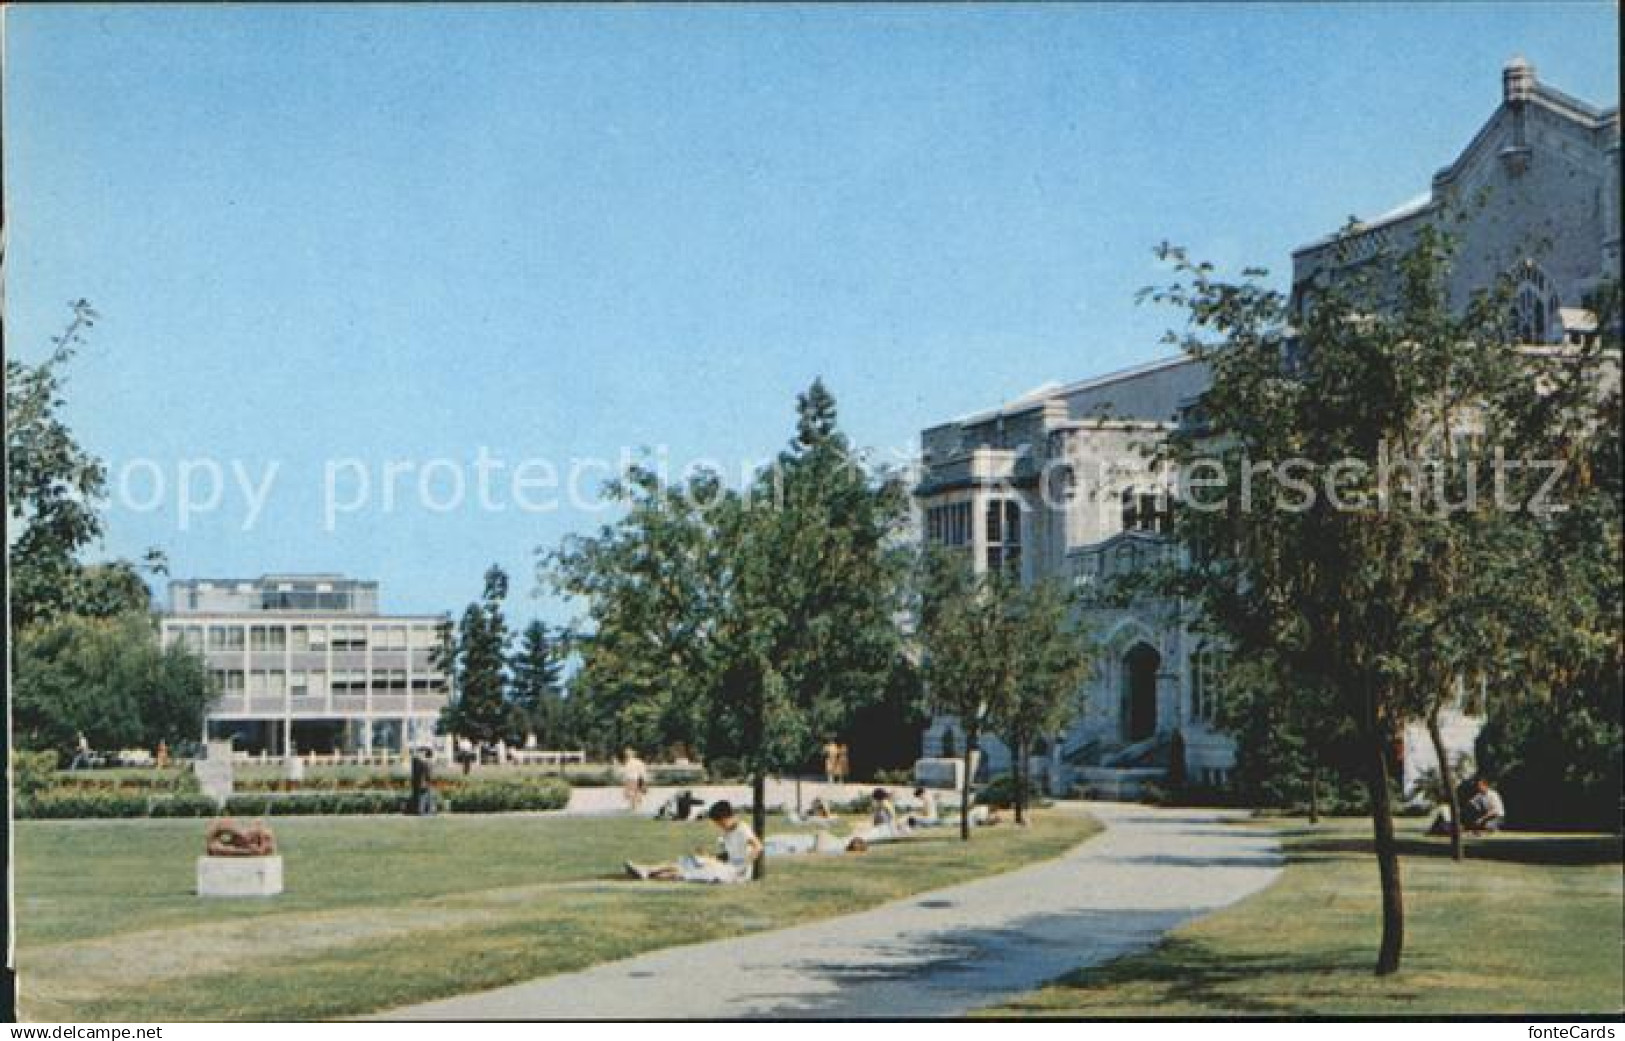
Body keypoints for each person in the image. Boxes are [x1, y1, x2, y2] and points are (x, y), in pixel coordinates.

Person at [625, 800, 761, 883]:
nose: (719, 826)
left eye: (720, 823)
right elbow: (727, 855)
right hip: (727, 867)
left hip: (734, 872)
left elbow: (758, 847)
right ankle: (647, 870)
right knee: (686, 862)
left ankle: (648, 872)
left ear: (726, 818)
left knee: (683, 872)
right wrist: (709, 856)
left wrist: (742, 867)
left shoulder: (742, 828)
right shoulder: (728, 833)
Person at [409, 747, 436, 816]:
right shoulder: (426, 762)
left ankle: (428, 810)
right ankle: (423, 811)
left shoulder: (420, 762)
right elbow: (428, 774)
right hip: (424, 782)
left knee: (426, 796)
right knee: (424, 796)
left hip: (422, 781)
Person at [621, 747, 649, 813]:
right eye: (626, 754)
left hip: (635, 779)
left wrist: (644, 783)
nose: (626, 755)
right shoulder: (628, 763)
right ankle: (635, 807)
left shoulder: (635, 762)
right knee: (633, 794)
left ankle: (635, 808)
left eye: (627, 754)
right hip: (634, 779)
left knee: (634, 794)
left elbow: (642, 772)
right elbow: (626, 774)